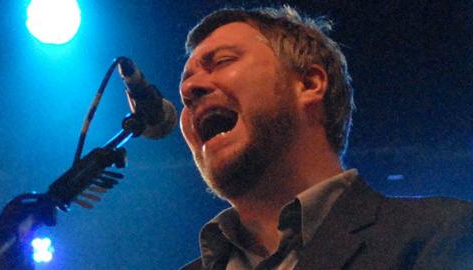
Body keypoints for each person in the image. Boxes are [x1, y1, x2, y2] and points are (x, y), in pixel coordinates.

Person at [178, 6, 473, 270]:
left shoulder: (443, 234)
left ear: (309, 84)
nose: (189, 88)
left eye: (222, 61)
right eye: (186, 81)